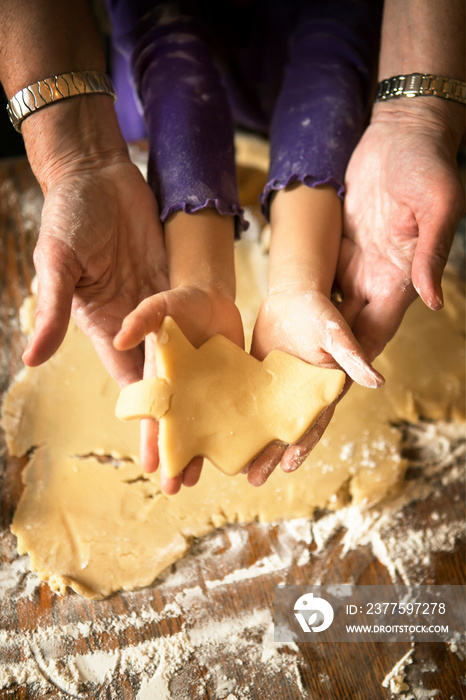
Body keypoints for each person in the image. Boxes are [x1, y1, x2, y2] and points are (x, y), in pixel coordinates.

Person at [0, 0, 463, 494]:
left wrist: (296, 283)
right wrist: (201, 282)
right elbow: (166, 46)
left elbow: (331, 47)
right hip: (163, 120)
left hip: (351, 103)